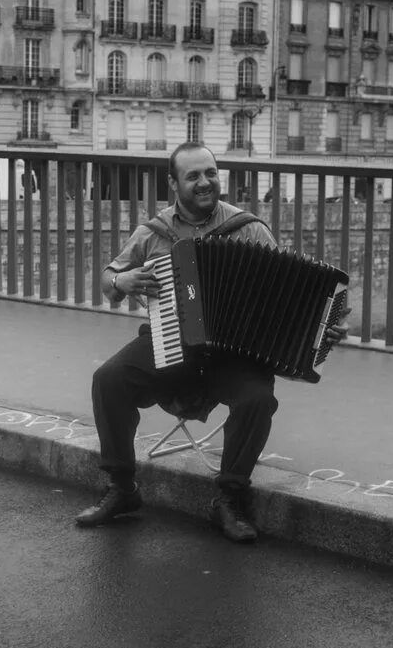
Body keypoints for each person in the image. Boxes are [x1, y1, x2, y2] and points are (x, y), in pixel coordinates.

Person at [74, 143, 350, 544]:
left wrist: (324, 329)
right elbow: (108, 280)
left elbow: (290, 294)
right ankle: (122, 488)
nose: (205, 182)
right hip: (171, 344)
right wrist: (122, 280)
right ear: (173, 183)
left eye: (211, 173)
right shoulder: (153, 233)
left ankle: (229, 499)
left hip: (233, 355)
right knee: (108, 379)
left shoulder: (249, 229)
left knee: (257, 399)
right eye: (193, 176)